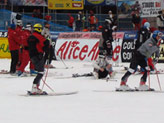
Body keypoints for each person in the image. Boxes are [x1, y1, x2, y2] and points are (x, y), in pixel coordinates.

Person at [27, 23, 50, 94]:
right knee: (41, 72)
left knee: (40, 72)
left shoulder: (30, 36)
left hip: (32, 56)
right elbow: (45, 43)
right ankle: (34, 87)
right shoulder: (38, 36)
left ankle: (36, 87)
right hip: (38, 56)